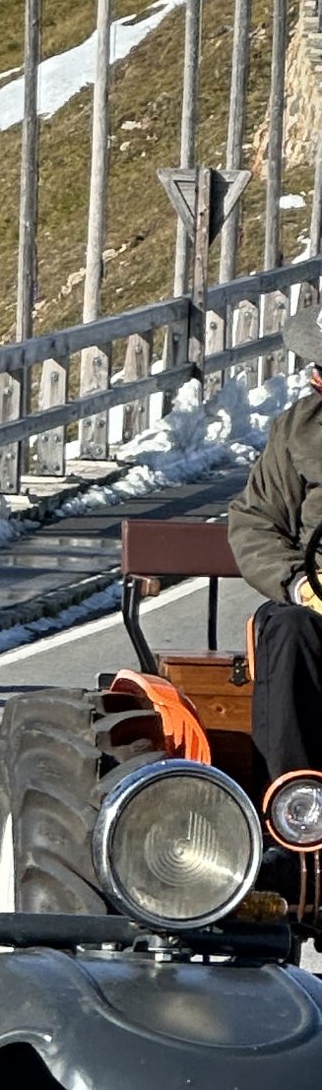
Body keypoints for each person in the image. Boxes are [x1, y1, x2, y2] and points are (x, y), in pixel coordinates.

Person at [228, 310, 322, 781]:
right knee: (287, 628)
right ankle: (295, 809)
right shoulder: (296, 431)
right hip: (316, 607)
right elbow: (255, 520)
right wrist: (300, 582)